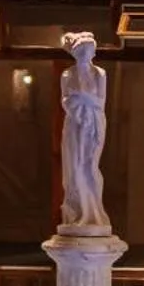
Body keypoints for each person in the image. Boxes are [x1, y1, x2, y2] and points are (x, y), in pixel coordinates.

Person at [59, 31, 112, 233]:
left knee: (90, 166)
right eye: (83, 51)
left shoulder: (100, 73)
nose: (87, 54)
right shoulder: (68, 74)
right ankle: (77, 212)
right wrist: (80, 100)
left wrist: (81, 97)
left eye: (90, 50)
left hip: (94, 123)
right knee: (74, 167)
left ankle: (94, 213)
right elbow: (66, 101)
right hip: (75, 124)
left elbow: (100, 102)